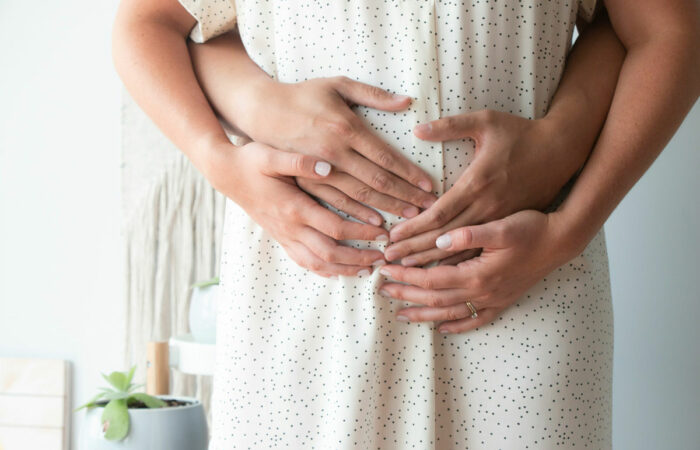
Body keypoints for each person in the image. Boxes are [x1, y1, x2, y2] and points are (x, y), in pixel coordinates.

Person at [111, 0, 699, 447]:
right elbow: (152, 22)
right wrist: (223, 162)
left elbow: (666, 28)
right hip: (302, 300)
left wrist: (567, 226)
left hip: (522, 288)